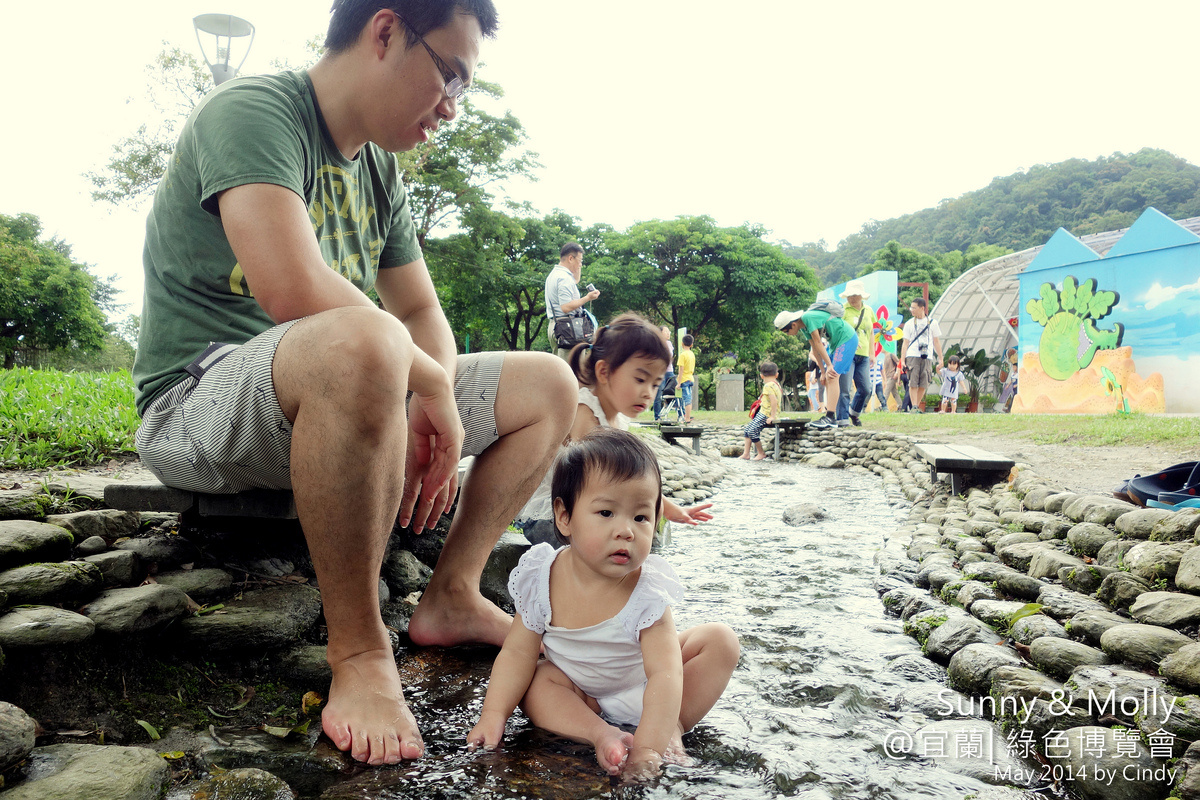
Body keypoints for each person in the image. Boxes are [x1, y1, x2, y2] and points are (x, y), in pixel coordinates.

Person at [131, 0, 579, 766]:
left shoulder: (378, 169)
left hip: (344, 378)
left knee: (548, 385)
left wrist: (422, 390)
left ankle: (451, 595)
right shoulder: (251, 111)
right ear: (384, 30)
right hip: (199, 399)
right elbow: (289, 284)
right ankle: (361, 654)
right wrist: (424, 381)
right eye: (450, 76)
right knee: (367, 339)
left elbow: (419, 309)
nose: (451, 106)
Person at [467, 429, 740, 779]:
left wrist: (647, 749)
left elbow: (665, 673)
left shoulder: (647, 590)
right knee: (535, 680)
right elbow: (517, 653)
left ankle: (671, 729)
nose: (626, 530)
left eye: (641, 517)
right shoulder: (541, 577)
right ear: (564, 517)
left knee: (720, 640)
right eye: (607, 513)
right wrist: (493, 714)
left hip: (647, 687)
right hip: (583, 695)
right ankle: (602, 734)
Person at [513, 313, 714, 545]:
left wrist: (667, 508)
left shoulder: (615, 419)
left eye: (656, 384)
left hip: (584, 510)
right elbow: (605, 477)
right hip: (552, 516)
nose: (649, 392)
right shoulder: (584, 410)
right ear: (604, 372)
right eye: (640, 379)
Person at [775, 308, 858, 431]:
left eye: (786, 332)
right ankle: (830, 416)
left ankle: (830, 417)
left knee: (833, 375)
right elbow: (815, 349)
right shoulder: (803, 327)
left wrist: (829, 366)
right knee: (827, 377)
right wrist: (823, 371)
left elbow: (819, 342)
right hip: (837, 343)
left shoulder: (808, 318)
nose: (787, 335)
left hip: (846, 338)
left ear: (793, 325)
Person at [545, 242, 600, 360]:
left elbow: (575, 279)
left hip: (557, 326)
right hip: (568, 329)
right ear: (571, 258)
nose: (581, 264)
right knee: (571, 372)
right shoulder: (564, 279)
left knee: (560, 368)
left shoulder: (555, 274)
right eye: (580, 261)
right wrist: (588, 298)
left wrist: (578, 266)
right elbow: (565, 307)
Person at [837, 280, 877, 428]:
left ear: (861, 296)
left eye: (855, 295)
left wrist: (872, 353)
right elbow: (838, 331)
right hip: (847, 354)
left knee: (866, 388)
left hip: (864, 354)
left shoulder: (868, 311)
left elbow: (871, 331)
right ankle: (842, 419)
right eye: (849, 296)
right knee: (845, 389)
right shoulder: (842, 310)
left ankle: (853, 412)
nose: (852, 298)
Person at [899, 298, 944, 413]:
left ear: (922, 308)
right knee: (913, 381)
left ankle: (917, 406)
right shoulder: (909, 323)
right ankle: (914, 406)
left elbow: (936, 341)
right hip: (912, 355)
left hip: (927, 355)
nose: (911, 310)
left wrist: (940, 358)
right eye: (911, 307)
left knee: (924, 382)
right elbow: (905, 343)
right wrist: (902, 359)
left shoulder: (933, 323)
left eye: (914, 308)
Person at [740, 362, 782, 460]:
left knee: (751, 431)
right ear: (777, 375)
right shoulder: (776, 384)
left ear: (761, 376)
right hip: (764, 413)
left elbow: (774, 401)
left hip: (766, 414)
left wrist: (772, 416)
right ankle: (746, 453)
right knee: (747, 430)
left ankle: (761, 453)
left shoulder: (768, 386)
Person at [652, 326, 676, 422]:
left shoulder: (669, 344)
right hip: (661, 372)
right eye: (666, 331)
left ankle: (671, 413)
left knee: (673, 393)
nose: (668, 333)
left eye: (669, 331)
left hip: (670, 371)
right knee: (659, 394)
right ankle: (657, 416)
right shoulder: (657, 344)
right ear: (660, 333)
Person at [677, 334, 696, 424]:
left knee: (686, 400)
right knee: (688, 399)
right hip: (691, 378)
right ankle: (686, 416)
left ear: (682, 343)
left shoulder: (683, 355)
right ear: (691, 344)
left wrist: (678, 382)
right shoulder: (692, 354)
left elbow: (681, 369)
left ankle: (687, 418)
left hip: (684, 380)